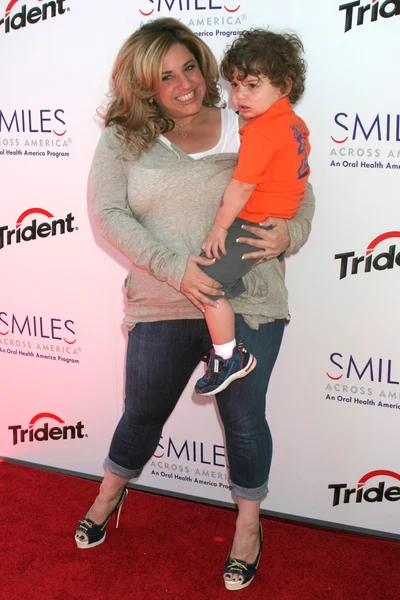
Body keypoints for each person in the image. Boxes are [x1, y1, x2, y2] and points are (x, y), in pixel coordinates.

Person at [75, 17, 315, 592]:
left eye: (189, 67)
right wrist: (175, 268)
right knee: (141, 414)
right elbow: (108, 214)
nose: (184, 85)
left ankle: (249, 528)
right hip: (163, 300)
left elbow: (299, 191)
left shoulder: (246, 118)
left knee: (244, 421)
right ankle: (110, 494)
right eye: (164, 76)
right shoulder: (124, 137)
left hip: (249, 299)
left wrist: (289, 235)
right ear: (141, 85)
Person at [195, 29, 310, 397]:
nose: (240, 95)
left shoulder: (262, 132)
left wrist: (218, 228)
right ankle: (271, 299)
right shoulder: (295, 125)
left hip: (249, 225)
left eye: (252, 85)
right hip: (276, 225)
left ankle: (228, 356)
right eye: (235, 85)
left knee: (204, 285)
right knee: (261, 266)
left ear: (285, 84)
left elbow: (241, 187)